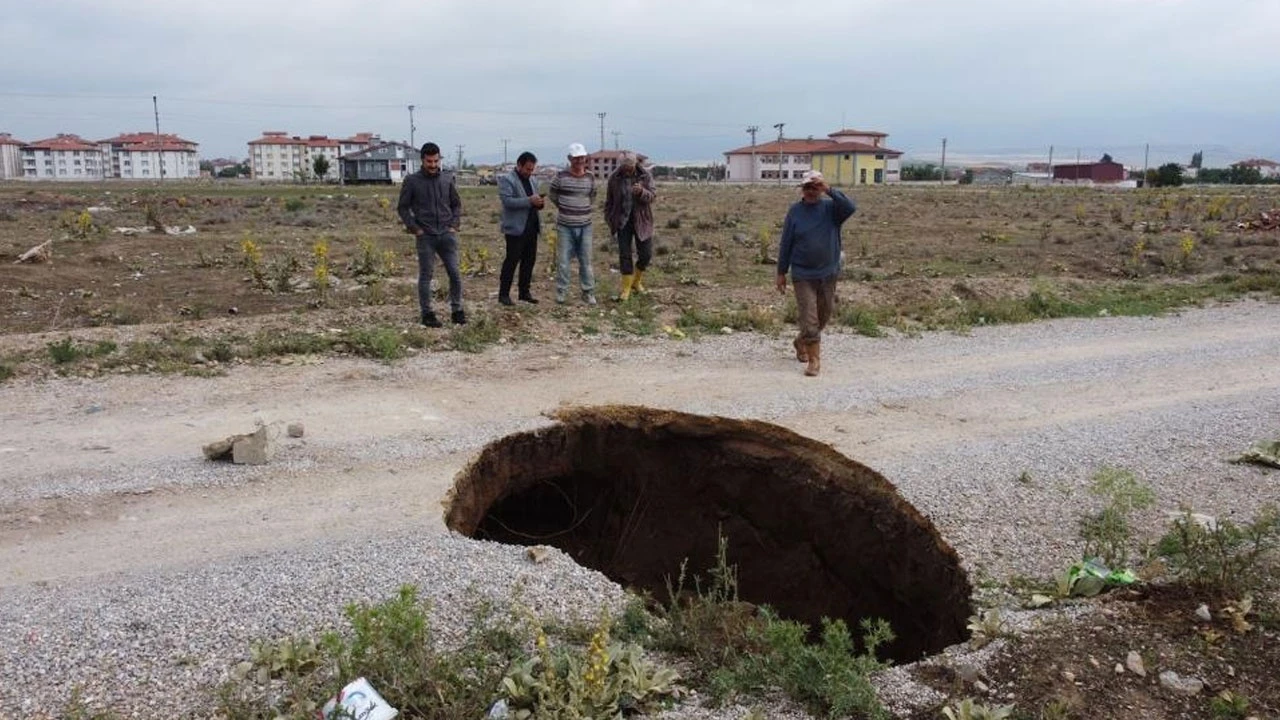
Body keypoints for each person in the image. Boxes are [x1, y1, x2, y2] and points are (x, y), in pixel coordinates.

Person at [775, 170, 856, 377]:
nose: (810, 191)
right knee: (809, 317)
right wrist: (781, 272)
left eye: (815, 187)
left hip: (828, 272)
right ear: (802, 190)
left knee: (825, 313)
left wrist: (829, 189)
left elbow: (851, 207)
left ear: (820, 189)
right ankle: (814, 360)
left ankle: (801, 341)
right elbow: (786, 242)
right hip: (802, 273)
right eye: (807, 187)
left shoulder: (832, 209)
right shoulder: (795, 212)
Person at [397, 141, 465, 327]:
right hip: (425, 236)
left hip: (447, 234)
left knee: (455, 274)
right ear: (422, 160)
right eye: (429, 161)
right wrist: (416, 229)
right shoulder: (411, 181)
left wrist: (454, 224)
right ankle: (427, 314)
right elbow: (402, 208)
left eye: (436, 161)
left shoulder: (447, 179)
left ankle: (457, 311)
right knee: (426, 276)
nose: (433, 165)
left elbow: (456, 204)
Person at [547, 142, 597, 305]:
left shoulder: (590, 177)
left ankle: (588, 292)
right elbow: (552, 195)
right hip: (565, 226)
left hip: (585, 225)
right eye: (576, 158)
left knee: (586, 261)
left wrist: (583, 209)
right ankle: (562, 292)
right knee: (563, 261)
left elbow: (592, 195)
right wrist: (564, 207)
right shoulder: (560, 177)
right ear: (570, 159)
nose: (579, 161)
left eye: (582, 158)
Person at [604, 151, 656, 301]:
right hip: (622, 221)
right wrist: (609, 218)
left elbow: (653, 195)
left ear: (635, 164)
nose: (627, 170)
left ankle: (636, 281)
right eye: (624, 167)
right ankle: (626, 288)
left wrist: (641, 192)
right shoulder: (615, 177)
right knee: (625, 256)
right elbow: (609, 201)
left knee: (646, 254)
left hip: (642, 221)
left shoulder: (645, 175)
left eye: (630, 167)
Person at [497, 151, 545, 305]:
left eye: (532, 169)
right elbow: (508, 202)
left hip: (531, 227)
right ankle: (503, 294)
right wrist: (529, 201)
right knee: (511, 261)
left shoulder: (533, 180)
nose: (530, 172)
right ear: (519, 165)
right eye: (527, 169)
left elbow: (534, 202)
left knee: (529, 261)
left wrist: (539, 203)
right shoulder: (507, 180)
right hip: (515, 229)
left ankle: (524, 292)